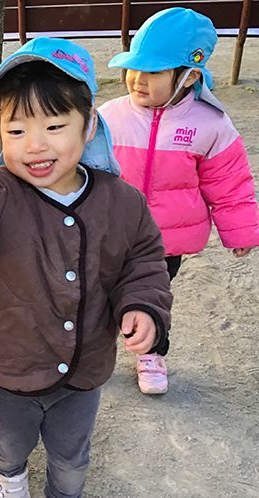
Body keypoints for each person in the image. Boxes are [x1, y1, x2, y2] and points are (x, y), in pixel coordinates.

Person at [0, 38, 172, 498]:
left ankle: (64, 490)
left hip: (84, 365)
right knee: (10, 443)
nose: (35, 146)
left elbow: (144, 261)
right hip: (10, 359)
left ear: (89, 125)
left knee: (71, 452)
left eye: (54, 126)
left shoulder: (122, 202)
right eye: (16, 130)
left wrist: (143, 307)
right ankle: (9, 479)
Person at [99, 8, 259, 394]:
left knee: (151, 296)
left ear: (190, 76)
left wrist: (240, 231)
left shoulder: (210, 124)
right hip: (110, 231)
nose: (137, 79)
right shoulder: (109, 116)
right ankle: (90, 351)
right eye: (134, 67)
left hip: (164, 241)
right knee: (97, 293)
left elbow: (229, 182)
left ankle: (151, 352)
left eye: (153, 71)